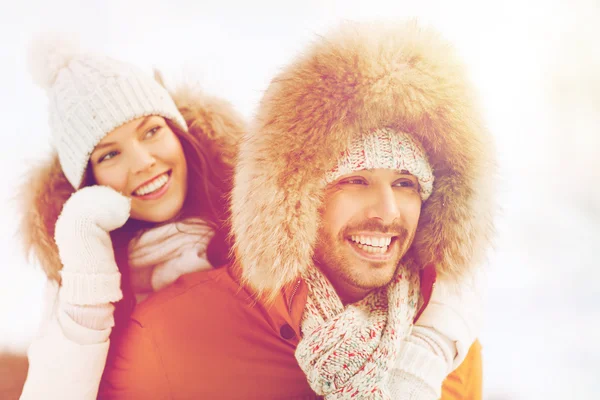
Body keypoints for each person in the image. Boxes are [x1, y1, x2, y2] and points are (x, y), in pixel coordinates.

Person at [99, 20, 494, 400]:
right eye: (355, 180)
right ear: (294, 197)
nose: (388, 211)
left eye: (405, 183)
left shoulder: (444, 340)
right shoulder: (166, 340)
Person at [18, 35, 244, 399]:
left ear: (178, 134)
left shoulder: (263, 227)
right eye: (109, 155)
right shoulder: (75, 287)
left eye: (152, 131)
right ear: (89, 185)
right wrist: (87, 289)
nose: (142, 163)